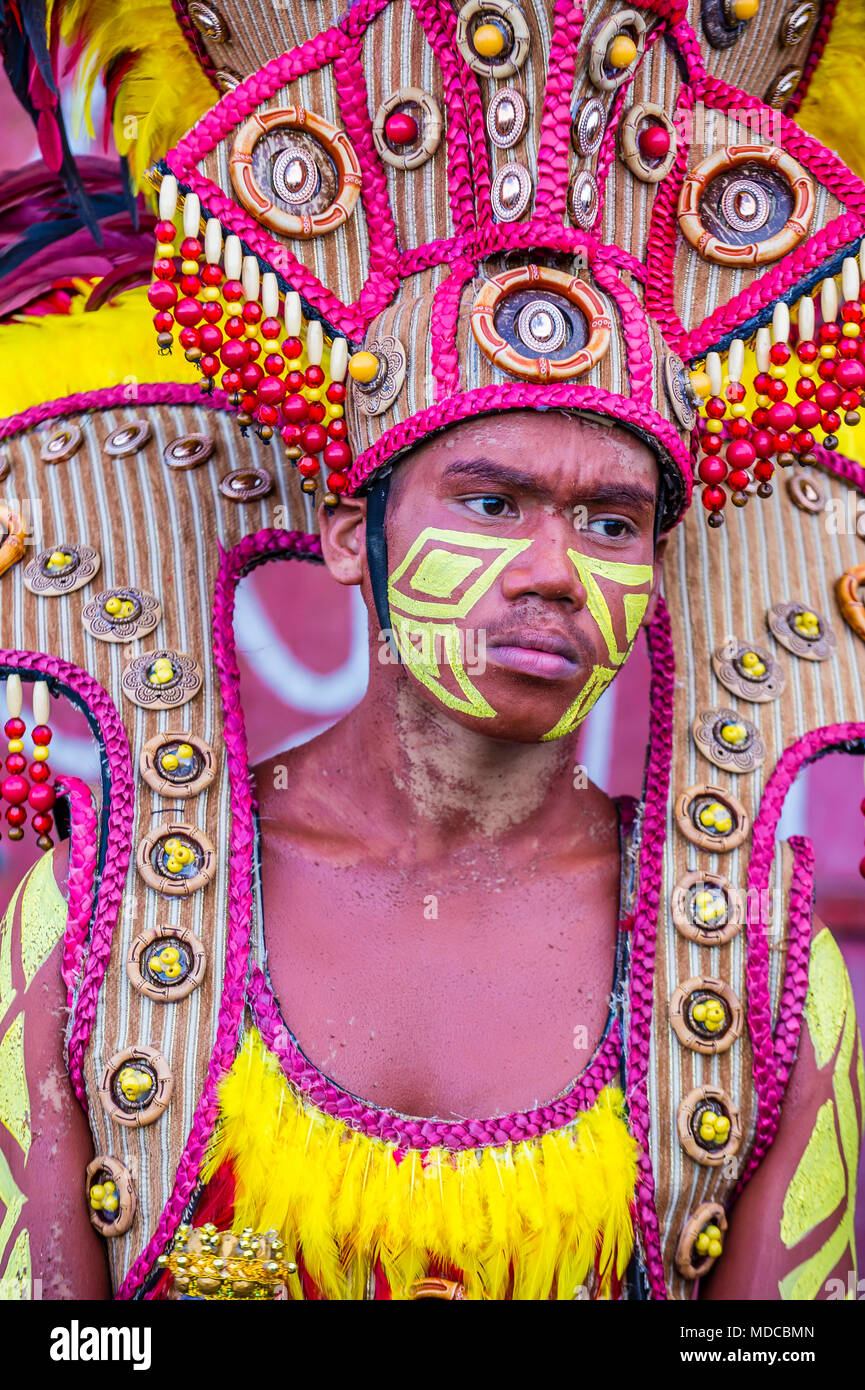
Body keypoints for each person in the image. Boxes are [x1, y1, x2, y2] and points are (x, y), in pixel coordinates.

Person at [0, 0, 863, 1301]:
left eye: (610, 520)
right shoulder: (94, 924)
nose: (552, 573)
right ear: (354, 536)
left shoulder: (758, 962)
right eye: (491, 499)